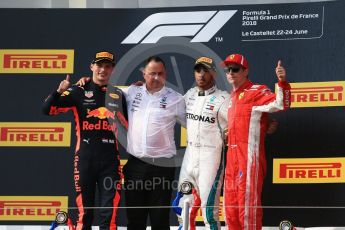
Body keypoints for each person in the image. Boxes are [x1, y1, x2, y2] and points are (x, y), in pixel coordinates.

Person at [42, 51, 127, 230]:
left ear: (112, 69)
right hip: (85, 160)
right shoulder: (77, 91)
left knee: (109, 214)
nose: (103, 69)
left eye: (107, 66)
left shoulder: (118, 94)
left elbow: (130, 125)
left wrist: (138, 88)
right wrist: (59, 91)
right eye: (99, 65)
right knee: (85, 213)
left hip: (111, 163)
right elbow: (47, 110)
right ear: (92, 67)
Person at [222, 53, 291, 230]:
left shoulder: (256, 91)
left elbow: (281, 103)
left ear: (245, 71)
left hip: (249, 160)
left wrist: (282, 82)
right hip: (231, 160)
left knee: (247, 211)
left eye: (235, 69)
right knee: (230, 211)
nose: (231, 73)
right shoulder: (230, 98)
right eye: (228, 70)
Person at [122, 56, 186, 230]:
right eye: (152, 73)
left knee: (160, 221)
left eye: (160, 73)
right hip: (135, 164)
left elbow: (195, 125)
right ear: (144, 74)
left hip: (162, 166)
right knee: (135, 221)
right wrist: (85, 82)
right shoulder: (130, 93)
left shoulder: (176, 99)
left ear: (166, 74)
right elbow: (103, 91)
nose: (156, 77)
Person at [172, 56, 229, 230]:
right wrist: (141, 89)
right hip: (190, 155)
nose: (201, 75)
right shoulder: (189, 95)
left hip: (211, 156)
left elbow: (237, 124)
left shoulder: (224, 98)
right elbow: (165, 107)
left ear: (213, 73)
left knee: (208, 210)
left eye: (206, 70)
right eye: (198, 70)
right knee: (183, 205)